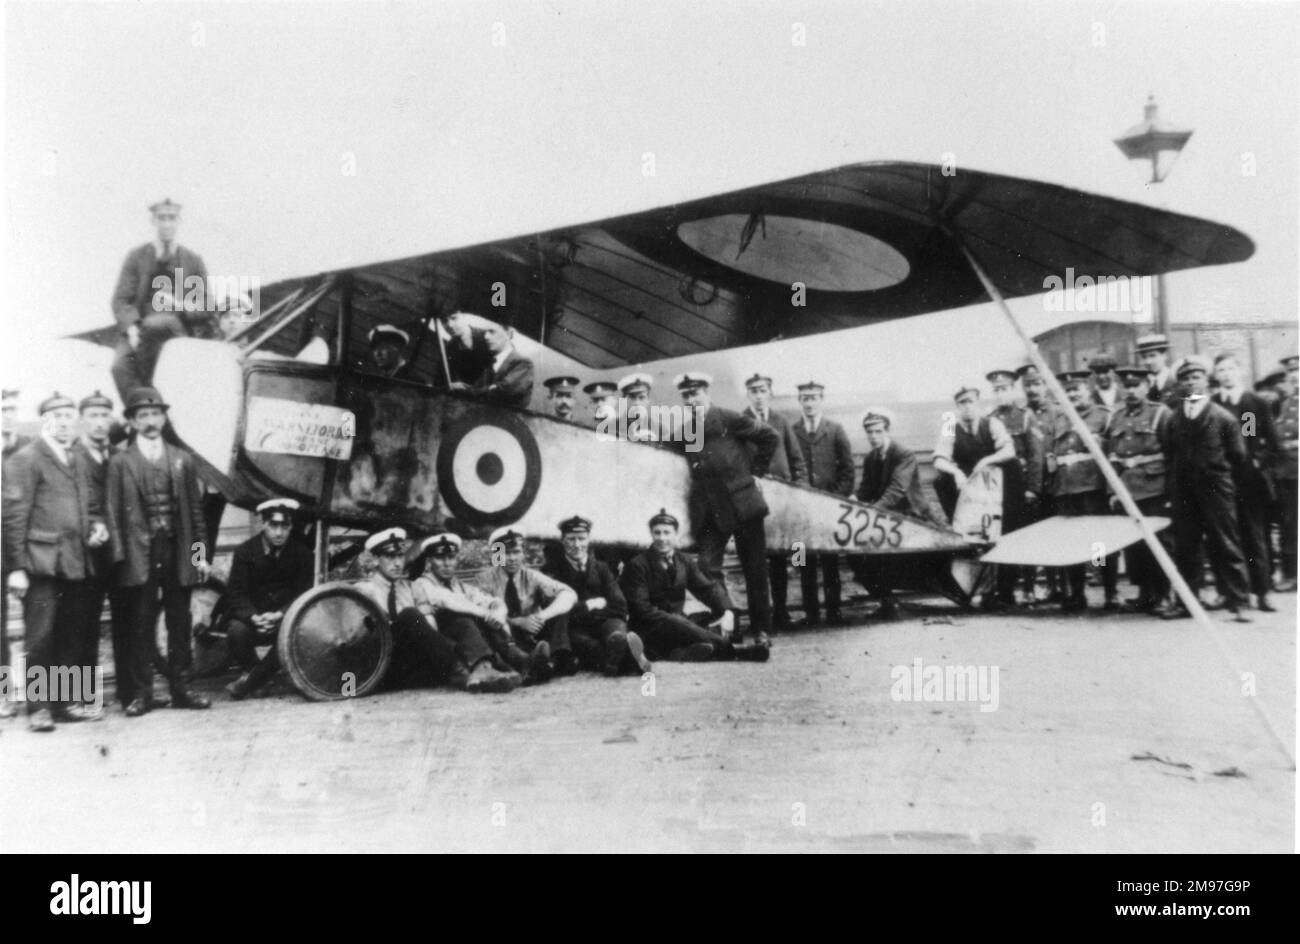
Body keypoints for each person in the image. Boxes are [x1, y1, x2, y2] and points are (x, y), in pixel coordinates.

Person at [2, 393, 110, 730]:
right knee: (41, 636)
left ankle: (66, 703)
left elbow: (90, 506)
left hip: (75, 561)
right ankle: (39, 708)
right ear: (44, 420)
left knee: (70, 633)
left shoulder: (75, 457)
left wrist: (97, 526)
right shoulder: (26, 458)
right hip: (40, 563)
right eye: (56, 416)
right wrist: (17, 568)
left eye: (68, 415)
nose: (63, 422)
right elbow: (13, 518)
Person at [105, 386, 212, 715]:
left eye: (155, 414)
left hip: (177, 551)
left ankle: (183, 689)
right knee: (141, 623)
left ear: (164, 418)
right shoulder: (120, 463)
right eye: (143, 416)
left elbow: (196, 515)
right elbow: (113, 513)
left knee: (180, 623)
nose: (150, 421)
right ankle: (142, 694)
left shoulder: (183, 460)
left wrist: (199, 558)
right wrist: (120, 560)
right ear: (133, 422)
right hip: (141, 555)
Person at [676, 372, 779, 644]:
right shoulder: (685, 431)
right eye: (686, 395)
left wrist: (756, 472)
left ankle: (761, 629)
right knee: (707, 566)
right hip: (711, 510)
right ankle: (729, 616)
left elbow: (770, 436)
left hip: (743, 503)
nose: (691, 400)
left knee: (754, 567)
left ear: (706, 393)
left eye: (695, 393)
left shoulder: (729, 418)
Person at [1158, 356, 1252, 622]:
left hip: (1216, 488)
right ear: (1180, 384)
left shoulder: (1224, 418)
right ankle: (1188, 602)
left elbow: (1238, 455)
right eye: (1186, 379)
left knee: (1226, 543)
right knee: (1186, 546)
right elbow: (1169, 453)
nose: (1191, 382)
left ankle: (1240, 601)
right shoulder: (1173, 419)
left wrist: (1218, 477)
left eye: (1196, 377)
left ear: (1206, 381)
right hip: (1183, 491)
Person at [620, 509, 768, 662]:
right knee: (683, 624)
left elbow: (707, 589)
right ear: (651, 534)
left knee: (715, 617)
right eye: (657, 533)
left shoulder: (684, 560)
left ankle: (684, 651)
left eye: (666, 533)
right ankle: (734, 650)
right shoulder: (638, 565)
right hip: (651, 627)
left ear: (676, 534)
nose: (662, 538)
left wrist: (727, 611)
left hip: (679, 622)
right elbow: (641, 609)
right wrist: (676, 621)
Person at [358, 528, 485, 692]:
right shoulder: (363, 591)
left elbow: (430, 627)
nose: (397, 563)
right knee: (409, 614)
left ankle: (485, 668)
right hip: (382, 667)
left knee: (460, 623)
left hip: (413, 667)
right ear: (376, 560)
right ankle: (461, 672)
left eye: (400, 556)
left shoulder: (412, 588)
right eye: (390, 557)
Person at [109, 198, 210, 400]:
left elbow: (205, 306)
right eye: (161, 218)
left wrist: (180, 305)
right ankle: (141, 412)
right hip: (139, 328)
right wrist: (131, 328)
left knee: (160, 325)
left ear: (179, 221)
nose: (166, 224)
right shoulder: (136, 257)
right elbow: (120, 299)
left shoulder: (192, 261)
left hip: (179, 328)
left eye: (171, 218)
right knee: (119, 367)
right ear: (153, 221)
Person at [851, 409, 944, 618]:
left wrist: (874, 510)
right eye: (870, 432)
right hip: (889, 516)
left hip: (913, 514)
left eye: (878, 431)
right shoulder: (871, 458)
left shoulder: (903, 454)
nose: (873, 436)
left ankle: (889, 603)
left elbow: (896, 490)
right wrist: (854, 502)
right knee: (858, 554)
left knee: (878, 554)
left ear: (887, 431)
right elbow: (865, 490)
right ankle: (887, 602)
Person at [406, 533, 523, 693]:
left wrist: (499, 613)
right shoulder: (422, 583)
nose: (447, 563)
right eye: (440, 558)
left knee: (485, 619)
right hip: (442, 650)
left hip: (465, 645)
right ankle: (484, 667)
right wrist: (485, 614)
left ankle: (517, 661)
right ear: (429, 562)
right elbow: (448, 601)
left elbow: (492, 600)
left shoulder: (460, 586)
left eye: (451, 557)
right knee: (462, 618)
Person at [223, 499, 315, 699]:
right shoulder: (244, 552)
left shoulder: (303, 555)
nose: (279, 532)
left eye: (285, 526)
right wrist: (254, 617)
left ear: (291, 526)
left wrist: (281, 615)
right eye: (273, 525)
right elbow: (236, 593)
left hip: (285, 620)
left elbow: (305, 593)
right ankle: (258, 673)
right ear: (263, 524)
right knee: (236, 631)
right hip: (255, 620)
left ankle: (251, 681)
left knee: (297, 635)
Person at [69, 391, 124, 714]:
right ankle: (84, 697)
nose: (100, 423)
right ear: (82, 421)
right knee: (83, 625)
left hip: (119, 555)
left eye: (105, 416)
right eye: (93, 416)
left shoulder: (119, 455)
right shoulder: (72, 457)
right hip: (86, 553)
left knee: (128, 622)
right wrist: (94, 524)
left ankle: (131, 692)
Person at [1212, 353, 1278, 612]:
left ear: (1240, 372)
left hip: (1249, 481)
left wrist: (1256, 463)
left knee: (1254, 535)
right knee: (1223, 537)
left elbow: (1270, 444)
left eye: (1230, 368)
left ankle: (1262, 591)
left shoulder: (1254, 403)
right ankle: (1226, 592)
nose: (1226, 374)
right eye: (1221, 370)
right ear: (1216, 375)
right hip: (1221, 480)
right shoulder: (1213, 404)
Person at [741, 373, 808, 631]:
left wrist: (799, 492)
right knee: (757, 558)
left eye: (763, 390)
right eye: (754, 390)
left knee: (785, 556)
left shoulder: (781, 421)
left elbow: (796, 458)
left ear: (770, 393)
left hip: (782, 500)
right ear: (748, 394)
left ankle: (782, 611)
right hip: (754, 496)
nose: (758, 395)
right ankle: (762, 616)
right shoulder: (741, 420)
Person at [1046, 371, 1118, 611]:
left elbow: (1112, 453)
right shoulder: (1059, 419)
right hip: (1066, 490)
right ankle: (1077, 594)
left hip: (1092, 489)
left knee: (1100, 542)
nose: (1073, 394)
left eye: (1077, 389)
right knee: (1072, 543)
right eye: (1068, 391)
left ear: (1088, 390)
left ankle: (1110, 593)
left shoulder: (1103, 416)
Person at [544, 516, 651, 676]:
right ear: (563, 541)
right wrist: (590, 605)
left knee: (616, 632)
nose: (577, 544)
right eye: (571, 539)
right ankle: (629, 660)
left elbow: (620, 605)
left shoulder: (602, 568)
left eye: (582, 539)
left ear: (588, 540)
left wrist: (584, 610)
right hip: (576, 628)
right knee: (587, 645)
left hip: (606, 622)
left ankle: (619, 649)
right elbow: (557, 613)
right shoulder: (554, 571)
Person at [1103, 368, 1173, 611]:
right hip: (1127, 491)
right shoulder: (1117, 417)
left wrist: (1171, 493)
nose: (1131, 391)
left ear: (1147, 386)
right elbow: (1111, 457)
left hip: (1155, 488)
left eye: (1136, 385)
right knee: (1135, 546)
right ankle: (1145, 593)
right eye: (1127, 386)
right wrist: (1113, 491)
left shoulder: (1160, 413)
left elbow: (1172, 455)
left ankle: (1164, 594)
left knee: (1160, 544)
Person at [791, 380, 854, 627]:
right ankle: (810, 613)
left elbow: (848, 471)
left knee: (830, 561)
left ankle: (834, 611)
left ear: (821, 400)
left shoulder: (836, 429)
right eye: (805, 398)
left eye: (814, 397)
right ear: (800, 402)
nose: (809, 403)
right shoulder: (792, 429)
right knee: (801, 561)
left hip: (829, 508)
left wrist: (834, 499)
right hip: (802, 509)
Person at [478, 526, 577, 682]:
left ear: (523, 553)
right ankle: (526, 663)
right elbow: (482, 612)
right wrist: (517, 622)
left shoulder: (532, 576)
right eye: (505, 552)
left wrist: (541, 616)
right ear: (497, 554)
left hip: (532, 634)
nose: (511, 558)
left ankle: (555, 660)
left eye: (516, 552)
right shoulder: (485, 579)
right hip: (506, 637)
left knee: (560, 608)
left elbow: (569, 594)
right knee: (489, 623)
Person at [986, 368, 1044, 607]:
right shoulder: (989, 419)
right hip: (1000, 488)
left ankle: (1029, 587)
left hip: (1021, 485)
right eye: (997, 390)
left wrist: (1032, 488)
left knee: (1026, 537)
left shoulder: (1025, 415)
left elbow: (1036, 455)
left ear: (1013, 390)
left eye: (1005, 389)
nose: (1001, 394)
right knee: (1003, 537)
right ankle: (1005, 590)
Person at [932, 386, 1015, 523]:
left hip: (992, 474)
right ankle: (957, 524)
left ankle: (1012, 521)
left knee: (1013, 466)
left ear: (978, 403)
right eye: (962, 403)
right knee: (941, 481)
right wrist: (956, 473)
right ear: (957, 407)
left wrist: (987, 461)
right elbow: (939, 460)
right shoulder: (950, 427)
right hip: (967, 476)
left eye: (971, 401)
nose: (967, 406)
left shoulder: (992, 423)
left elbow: (1009, 450)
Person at [1017, 364, 1064, 603]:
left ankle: (1056, 586)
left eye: (1037, 384)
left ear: (1045, 385)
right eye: (1028, 385)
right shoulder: (1020, 413)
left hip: (1055, 484)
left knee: (1054, 536)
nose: (1033, 389)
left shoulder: (1058, 412)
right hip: (1028, 486)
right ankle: (1028, 587)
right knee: (1029, 536)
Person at [2, 388, 33, 717]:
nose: (7, 415)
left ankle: (46, 696)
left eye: (12, 408)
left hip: (24, 547)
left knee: (39, 621)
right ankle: (3, 695)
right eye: (2, 409)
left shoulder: (28, 447)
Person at [452, 320, 533, 408]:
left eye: (492, 332)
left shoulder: (523, 363)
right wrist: (464, 388)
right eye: (485, 332)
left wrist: (469, 392)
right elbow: (481, 390)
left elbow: (504, 391)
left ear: (509, 334)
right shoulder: (492, 365)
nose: (486, 337)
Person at [1275, 355, 1299, 593]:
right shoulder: (1286, 402)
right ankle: (1291, 574)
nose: (1295, 374)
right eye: (1291, 371)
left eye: (1299, 369)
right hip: (1286, 473)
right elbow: (1248, 425)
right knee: (1289, 524)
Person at [440, 311, 494, 387]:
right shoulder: (449, 348)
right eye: (444, 320)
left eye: (454, 318)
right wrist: (451, 385)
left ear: (465, 316)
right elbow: (442, 381)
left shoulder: (487, 337)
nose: (450, 325)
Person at [1136, 333, 1180, 408]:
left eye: (1152, 355)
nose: (1148, 361)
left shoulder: (1176, 379)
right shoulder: (1139, 383)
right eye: (1144, 357)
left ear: (1165, 355)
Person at [618, 372, 657, 441]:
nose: (637, 403)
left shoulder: (658, 429)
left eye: (641, 397)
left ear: (648, 400)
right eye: (632, 398)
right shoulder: (612, 426)